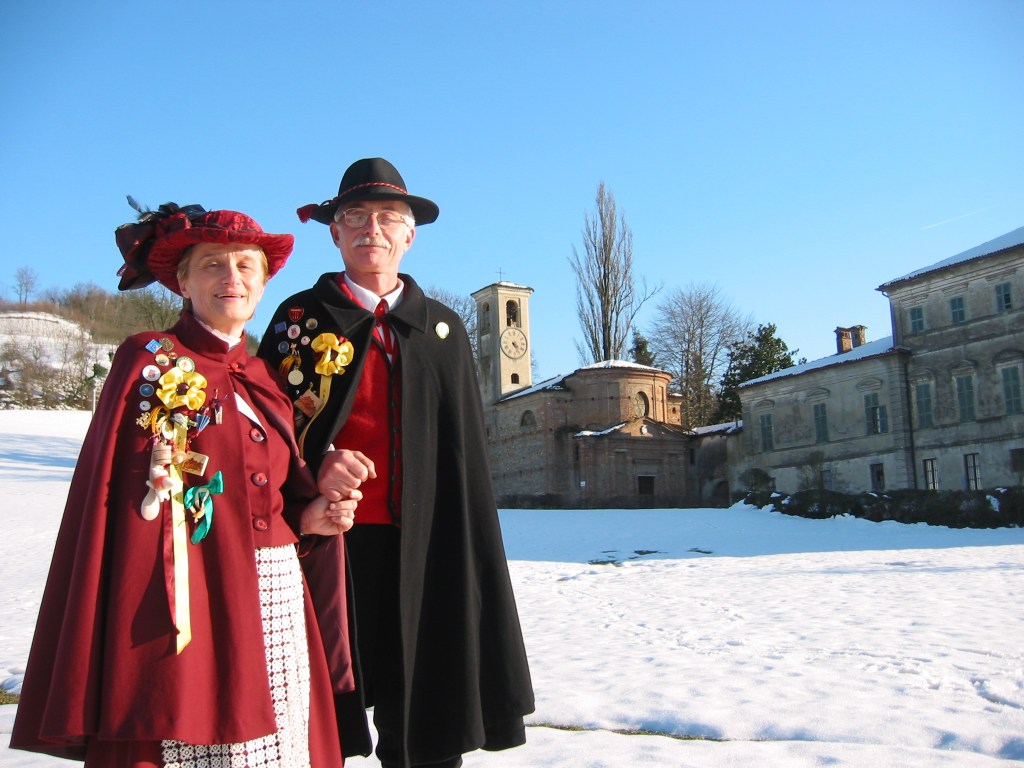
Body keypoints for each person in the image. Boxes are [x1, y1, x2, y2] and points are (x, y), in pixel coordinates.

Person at [11, 203, 357, 768]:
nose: (232, 279)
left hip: (274, 597)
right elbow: (125, 508)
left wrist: (311, 518)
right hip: (190, 600)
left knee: (280, 748)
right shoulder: (149, 361)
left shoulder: (267, 378)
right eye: (213, 265)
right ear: (182, 281)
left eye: (247, 267)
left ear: (264, 282)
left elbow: (275, 498)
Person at [257, 158, 534, 768]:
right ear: (334, 232)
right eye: (355, 217)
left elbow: (465, 454)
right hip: (328, 545)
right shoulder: (298, 321)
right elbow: (266, 434)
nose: (371, 229)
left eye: (389, 218)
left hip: (427, 546)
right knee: (316, 705)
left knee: (424, 711)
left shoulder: (443, 328)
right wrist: (319, 460)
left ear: (410, 234)